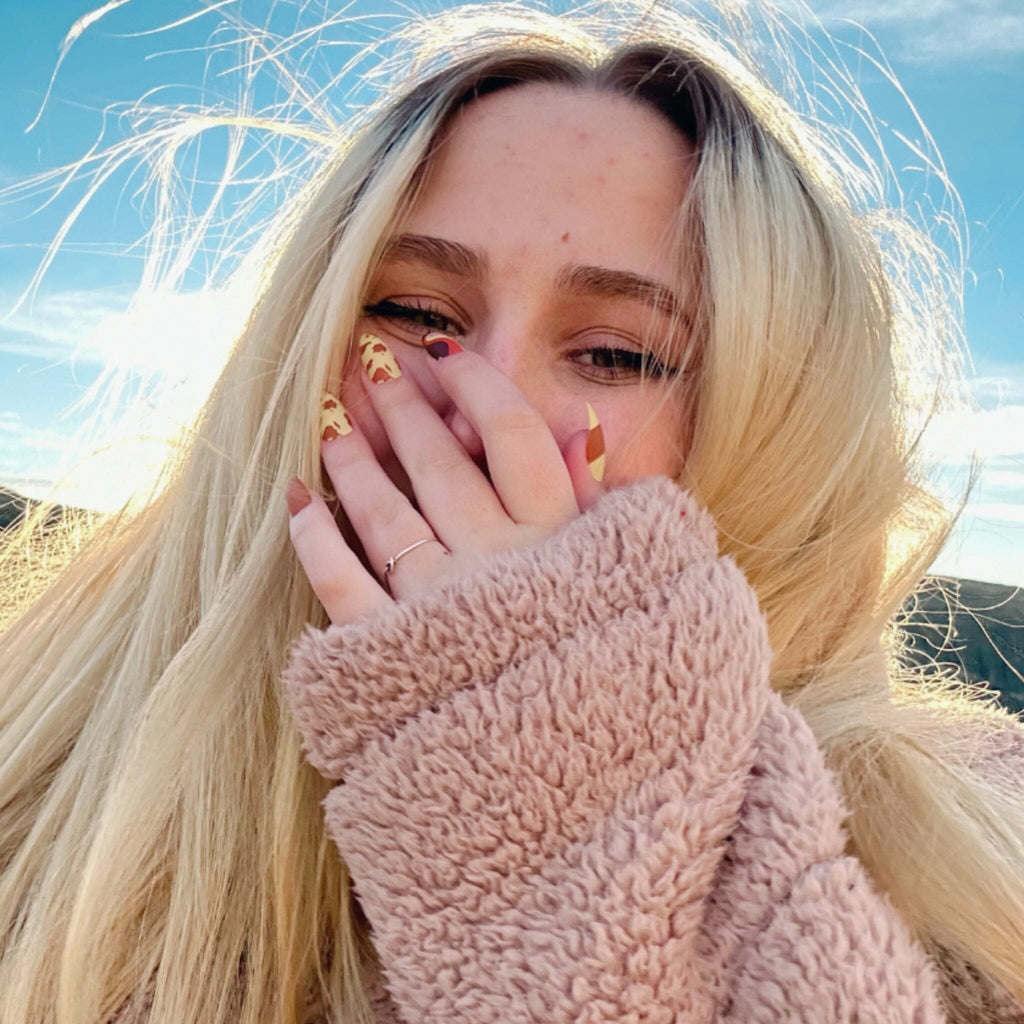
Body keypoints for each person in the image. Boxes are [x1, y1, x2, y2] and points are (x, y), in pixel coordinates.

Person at [1, 3, 1022, 1023]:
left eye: (617, 351)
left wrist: (557, 823)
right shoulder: (38, 756)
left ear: (779, 436)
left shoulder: (976, 895)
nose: (481, 404)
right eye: (415, 315)